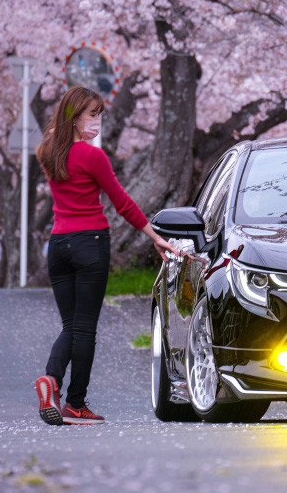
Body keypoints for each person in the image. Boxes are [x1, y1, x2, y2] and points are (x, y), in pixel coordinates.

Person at [34, 86, 179, 426]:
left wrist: (66, 127)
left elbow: (56, 136)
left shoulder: (47, 152)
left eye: (100, 115)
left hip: (58, 245)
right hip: (90, 243)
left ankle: (51, 380)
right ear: (74, 117)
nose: (98, 122)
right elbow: (122, 203)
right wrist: (155, 237)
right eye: (92, 115)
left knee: (70, 325)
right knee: (84, 329)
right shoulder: (92, 157)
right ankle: (75, 404)